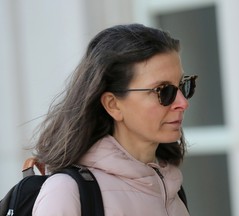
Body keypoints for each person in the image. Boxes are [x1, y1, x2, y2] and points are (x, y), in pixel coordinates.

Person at [32, 23, 197, 216]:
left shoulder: (171, 188)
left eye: (183, 86)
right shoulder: (67, 192)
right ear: (113, 104)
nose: (182, 103)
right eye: (164, 91)